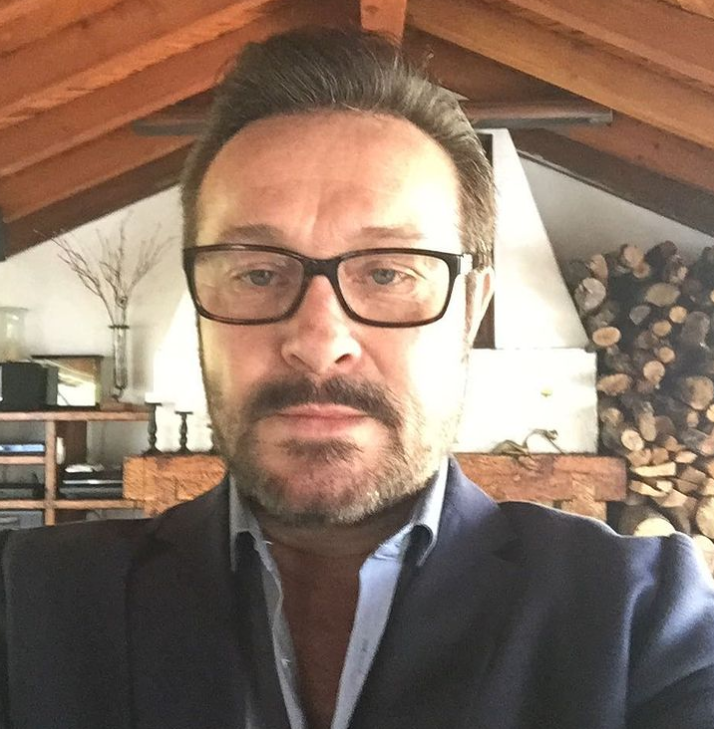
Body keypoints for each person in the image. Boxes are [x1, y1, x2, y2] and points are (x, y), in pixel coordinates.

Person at [1, 27, 713, 729]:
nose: (318, 343)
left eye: (388, 273)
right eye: (257, 272)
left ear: (470, 309)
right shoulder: (31, 603)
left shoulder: (640, 615)